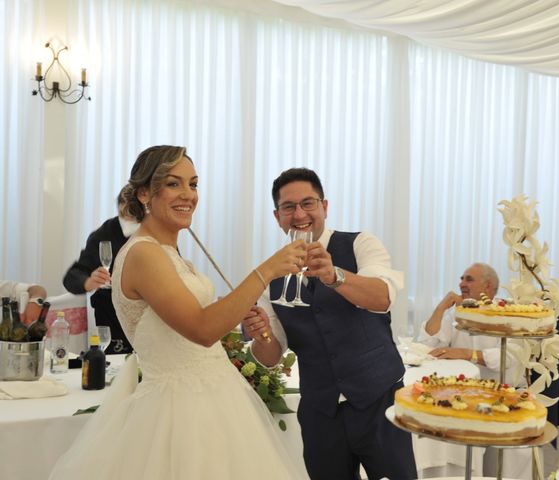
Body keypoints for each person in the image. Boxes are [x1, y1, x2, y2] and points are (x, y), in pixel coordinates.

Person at [49, 145, 308, 480]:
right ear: (144, 194)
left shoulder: (169, 252)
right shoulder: (144, 254)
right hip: (180, 412)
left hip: (214, 400)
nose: (188, 195)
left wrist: (237, 307)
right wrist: (266, 270)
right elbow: (201, 331)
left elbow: (186, 320)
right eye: (174, 184)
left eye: (193, 184)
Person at [242, 168, 417, 480]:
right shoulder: (272, 274)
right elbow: (270, 355)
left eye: (308, 203)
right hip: (320, 414)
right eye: (288, 207)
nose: (299, 214)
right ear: (277, 215)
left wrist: (335, 275)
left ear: (324, 206)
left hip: (379, 402)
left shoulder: (361, 244)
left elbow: (382, 297)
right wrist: (260, 334)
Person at [419, 263, 532, 479]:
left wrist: (466, 353)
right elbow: (428, 342)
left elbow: (512, 356)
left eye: (469, 279)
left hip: (505, 397)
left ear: (488, 286)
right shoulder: (458, 313)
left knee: (502, 469)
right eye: (461, 278)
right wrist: (442, 307)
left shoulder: (508, 313)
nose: (461, 283)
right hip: (466, 397)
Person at [62, 187, 139, 353]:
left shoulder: (157, 232)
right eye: (125, 211)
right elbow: (72, 277)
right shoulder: (103, 235)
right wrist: (88, 282)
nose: (130, 217)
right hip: (112, 318)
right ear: (119, 207)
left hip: (147, 317)